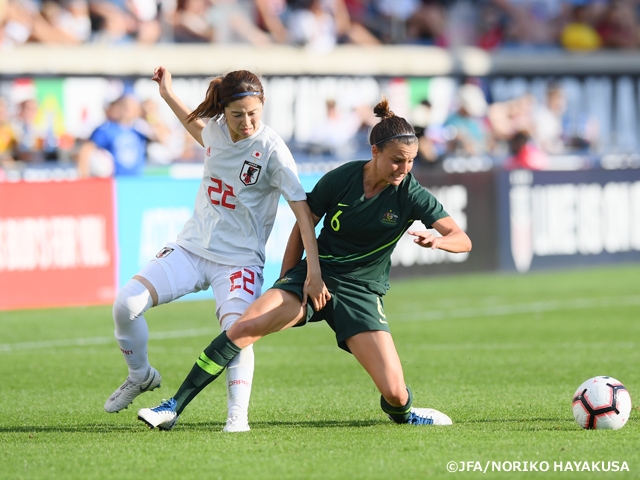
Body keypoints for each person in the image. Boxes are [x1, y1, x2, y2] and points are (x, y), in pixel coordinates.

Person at [137, 97, 472, 431]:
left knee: (397, 394)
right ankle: (172, 407)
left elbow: (462, 239)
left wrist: (438, 240)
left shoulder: (411, 194)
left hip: (361, 292)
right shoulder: (342, 179)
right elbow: (303, 224)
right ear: (375, 152)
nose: (405, 169)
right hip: (315, 277)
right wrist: (288, 279)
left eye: (411, 161)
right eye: (397, 161)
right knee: (241, 328)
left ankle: (406, 415)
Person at [104, 66, 329, 433]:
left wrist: (313, 271)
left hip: (239, 262)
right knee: (126, 304)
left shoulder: (273, 151)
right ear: (223, 111)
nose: (247, 123)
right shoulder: (216, 131)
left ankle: (237, 417)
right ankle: (141, 375)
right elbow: (200, 133)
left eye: (254, 113)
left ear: (263, 106)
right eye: (237, 115)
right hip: (192, 248)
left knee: (239, 331)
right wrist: (167, 95)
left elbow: (303, 214)